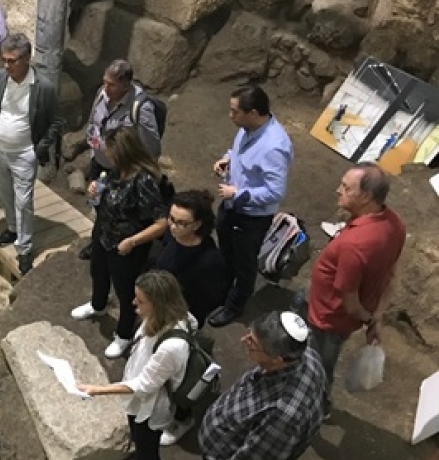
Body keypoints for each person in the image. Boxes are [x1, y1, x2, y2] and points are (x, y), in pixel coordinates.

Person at [306, 163, 405, 418]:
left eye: (346, 188)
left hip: (329, 318)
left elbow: (349, 302)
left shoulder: (355, 244)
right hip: (330, 310)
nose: (337, 190)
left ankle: (318, 407)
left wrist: (368, 319)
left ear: (366, 197)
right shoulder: (393, 224)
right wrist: (377, 316)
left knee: (319, 365)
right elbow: (391, 273)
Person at [70, 127, 168, 359]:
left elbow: (161, 222)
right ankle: (98, 304)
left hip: (127, 245)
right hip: (103, 234)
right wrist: (94, 192)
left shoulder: (143, 180)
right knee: (98, 272)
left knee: (126, 291)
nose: (106, 153)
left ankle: (123, 335)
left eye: (110, 150)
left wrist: (133, 241)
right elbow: (103, 199)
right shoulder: (115, 172)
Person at [77, 270, 195, 460]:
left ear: (159, 305)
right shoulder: (168, 317)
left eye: (140, 301)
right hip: (141, 394)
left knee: (146, 445)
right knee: (139, 439)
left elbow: (145, 385)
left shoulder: (172, 347)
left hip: (149, 406)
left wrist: (97, 390)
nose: (133, 303)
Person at [207, 86, 293, 328]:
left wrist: (239, 193)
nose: (230, 116)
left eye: (234, 112)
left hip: (250, 217)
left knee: (245, 263)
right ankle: (223, 289)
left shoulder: (274, 147)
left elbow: (275, 191)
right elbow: (239, 151)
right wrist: (228, 160)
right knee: (227, 252)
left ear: (253, 113)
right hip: (231, 207)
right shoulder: (248, 129)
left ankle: (234, 306)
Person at [149, 189, 228, 446]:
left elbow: (213, 297)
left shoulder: (209, 259)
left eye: (181, 223)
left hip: (182, 322)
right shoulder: (173, 238)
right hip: (159, 314)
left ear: (199, 224)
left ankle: (183, 418)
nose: (172, 226)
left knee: (180, 377)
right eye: (171, 219)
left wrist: (183, 318)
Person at [0, 32, 61, 274]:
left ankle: (24, 248)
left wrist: (39, 149)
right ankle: (12, 228)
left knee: (24, 201)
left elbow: (56, 122)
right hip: (0, 150)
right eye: (4, 60)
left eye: (12, 60)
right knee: (5, 194)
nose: (6, 65)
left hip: (25, 153)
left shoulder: (43, 87)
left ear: (27, 59)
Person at [68, 59, 162, 260]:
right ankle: (98, 243)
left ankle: (121, 248)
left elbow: (151, 147)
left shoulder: (140, 108)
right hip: (99, 161)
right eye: (105, 82)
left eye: (112, 84)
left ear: (126, 84)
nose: (106, 88)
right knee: (97, 203)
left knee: (116, 210)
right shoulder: (101, 94)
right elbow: (94, 122)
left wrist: (132, 170)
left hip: (121, 169)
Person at [200, 311, 326, 460]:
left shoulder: (283, 415)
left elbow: (256, 456)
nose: (243, 340)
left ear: (277, 359)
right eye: (249, 334)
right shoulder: (306, 354)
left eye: (253, 343)